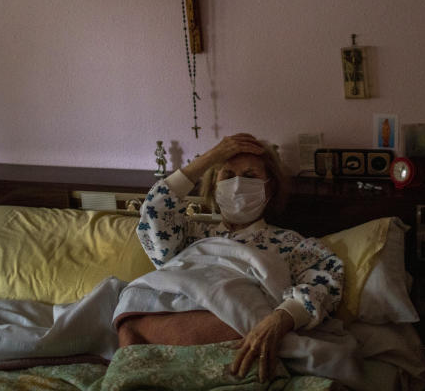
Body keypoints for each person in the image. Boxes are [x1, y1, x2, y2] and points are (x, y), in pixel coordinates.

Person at [114, 133, 344, 383]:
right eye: (227, 175)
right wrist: (210, 158)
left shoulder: (292, 244)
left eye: (250, 176)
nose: (237, 184)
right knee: (125, 301)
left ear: (270, 187)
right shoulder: (189, 235)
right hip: (167, 318)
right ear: (214, 185)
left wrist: (281, 318)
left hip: (232, 324)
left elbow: (324, 282)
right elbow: (154, 212)